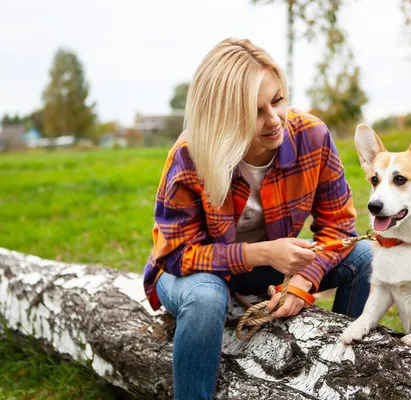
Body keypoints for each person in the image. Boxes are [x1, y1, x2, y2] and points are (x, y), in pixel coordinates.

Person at [143, 37, 372, 400]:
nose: (274, 120)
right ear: (222, 116)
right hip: (193, 273)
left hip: (270, 267)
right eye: (255, 111)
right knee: (205, 298)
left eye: (278, 100)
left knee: (364, 260)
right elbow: (175, 254)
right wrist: (262, 253)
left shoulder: (312, 136)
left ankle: (335, 376)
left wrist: (301, 281)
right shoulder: (190, 154)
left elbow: (339, 229)